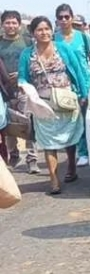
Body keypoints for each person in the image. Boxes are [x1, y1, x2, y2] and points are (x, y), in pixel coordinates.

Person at [18, 16, 90, 194]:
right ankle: (54, 180)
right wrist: (23, 86)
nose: (44, 33)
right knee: (48, 142)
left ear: (52, 30)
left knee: (69, 137)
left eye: (47, 29)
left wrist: (83, 94)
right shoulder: (27, 54)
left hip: (67, 101)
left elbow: (78, 71)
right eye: (39, 30)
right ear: (33, 33)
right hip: (43, 104)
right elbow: (22, 76)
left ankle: (71, 167)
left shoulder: (63, 48)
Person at [54, 5, 90, 167]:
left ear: (71, 18)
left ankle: (88, 151)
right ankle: (80, 151)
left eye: (66, 17)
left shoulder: (82, 37)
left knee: (87, 118)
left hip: (86, 82)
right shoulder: (53, 39)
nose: (64, 20)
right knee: (73, 120)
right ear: (56, 20)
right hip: (66, 85)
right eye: (60, 17)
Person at [0, 10, 38, 173]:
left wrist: (21, 74)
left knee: (28, 124)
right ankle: (13, 156)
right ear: (2, 25)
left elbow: (35, 61)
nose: (11, 26)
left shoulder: (27, 42)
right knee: (8, 125)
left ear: (19, 24)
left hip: (24, 88)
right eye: (7, 22)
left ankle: (32, 159)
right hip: (4, 90)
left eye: (14, 22)